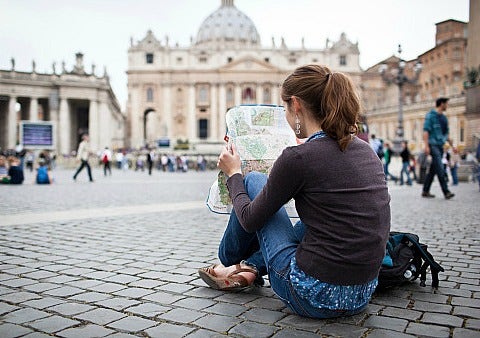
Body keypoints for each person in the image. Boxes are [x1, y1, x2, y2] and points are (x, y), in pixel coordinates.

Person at [198, 65, 391, 319]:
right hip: (360, 294)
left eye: (285, 109)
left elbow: (249, 219)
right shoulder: (366, 151)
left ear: (296, 105)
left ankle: (230, 261)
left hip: (311, 295)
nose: (287, 118)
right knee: (316, 220)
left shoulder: (299, 158)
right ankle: (252, 267)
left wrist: (234, 174)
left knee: (254, 180)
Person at [422, 98, 454, 199]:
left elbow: (446, 134)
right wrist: (426, 146)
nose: (447, 106)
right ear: (441, 104)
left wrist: (453, 146)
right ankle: (446, 191)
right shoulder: (430, 116)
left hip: (440, 145)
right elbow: (426, 131)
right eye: (446, 104)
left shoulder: (444, 118)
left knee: (433, 169)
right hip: (433, 145)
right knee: (440, 167)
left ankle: (425, 191)